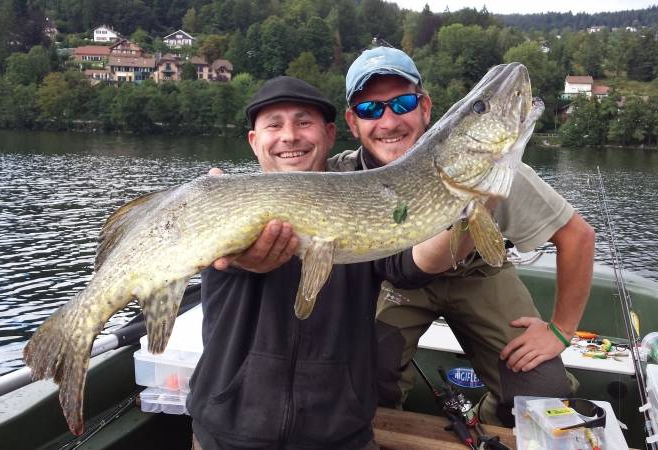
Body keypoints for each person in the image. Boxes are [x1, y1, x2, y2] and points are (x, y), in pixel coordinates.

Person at [186, 76, 476, 450]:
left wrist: (473, 200)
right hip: (227, 434)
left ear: (329, 133)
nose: (289, 135)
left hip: (341, 437)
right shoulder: (223, 204)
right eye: (273, 124)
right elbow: (223, 258)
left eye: (303, 122)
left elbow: (416, 265)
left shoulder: (368, 204)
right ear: (254, 141)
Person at [327, 46, 596, 427]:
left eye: (401, 103)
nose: (388, 121)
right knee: (363, 374)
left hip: (476, 273)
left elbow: (578, 237)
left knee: (543, 389)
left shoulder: (496, 169)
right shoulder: (343, 175)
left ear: (424, 108)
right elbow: (283, 181)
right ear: (353, 124)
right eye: (371, 109)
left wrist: (560, 330)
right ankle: (389, 428)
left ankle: (485, 419)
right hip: (396, 285)